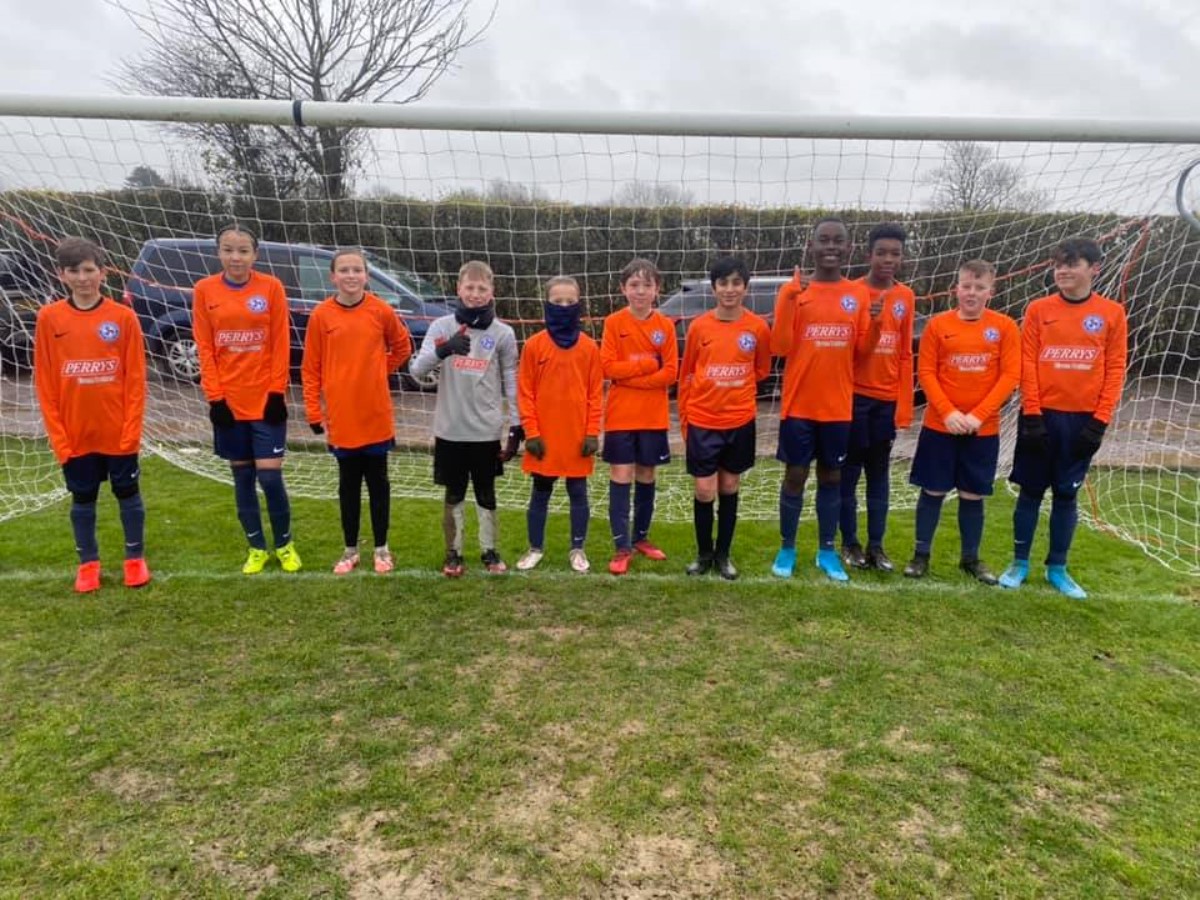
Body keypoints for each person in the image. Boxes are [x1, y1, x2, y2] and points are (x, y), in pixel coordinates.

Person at [999, 237, 1128, 599]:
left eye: (1072, 263)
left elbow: (1116, 369)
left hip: (1082, 421)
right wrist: (1033, 414)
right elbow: (1028, 363)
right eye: (1058, 264)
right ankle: (1019, 563)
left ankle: (1057, 568)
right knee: (1030, 491)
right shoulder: (1039, 309)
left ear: (1094, 269)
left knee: (1066, 495)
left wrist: (1099, 421)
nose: (1063, 270)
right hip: (1040, 417)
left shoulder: (1112, 314)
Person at [34, 237, 150, 592]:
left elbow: (135, 381)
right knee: (83, 499)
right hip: (75, 435)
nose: (83, 278)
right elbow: (46, 383)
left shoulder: (123, 317)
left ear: (102, 272)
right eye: (74, 271)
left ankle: (135, 560)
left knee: (128, 493)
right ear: (61, 275)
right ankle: (88, 565)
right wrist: (59, 438)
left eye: (89, 270)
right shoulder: (49, 318)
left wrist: (131, 432)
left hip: (117, 433)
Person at [770, 217, 878, 582]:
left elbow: (862, 352)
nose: (830, 247)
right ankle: (787, 547)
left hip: (838, 406)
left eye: (838, 241)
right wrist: (787, 298)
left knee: (832, 476)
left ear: (848, 249)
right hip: (799, 405)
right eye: (823, 241)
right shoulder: (795, 291)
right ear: (811, 247)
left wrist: (876, 325)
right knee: (796, 475)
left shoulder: (858, 294)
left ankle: (827, 551)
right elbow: (780, 347)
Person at [903, 259, 1020, 583]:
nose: (971, 293)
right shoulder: (939, 326)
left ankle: (971, 559)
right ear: (957, 288)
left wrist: (977, 416)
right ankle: (920, 555)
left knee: (972, 494)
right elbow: (926, 372)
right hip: (940, 427)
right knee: (933, 489)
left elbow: (1010, 375)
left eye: (979, 287)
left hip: (983, 430)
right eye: (966, 286)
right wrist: (949, 413)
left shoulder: (1005, 327)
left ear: (990, 292)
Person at [194, 223, 301, 574]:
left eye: (242, 250)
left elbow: (279, 343)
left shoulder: (271, 287)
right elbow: (205, 348)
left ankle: (284, 545)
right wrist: (216, 399)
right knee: (242, 478)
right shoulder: (204, 290)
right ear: (218, 252)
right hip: (229, 403)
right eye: (228, 249)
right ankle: (256, 548)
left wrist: (275, 392)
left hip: (265, 401)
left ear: (255, 254)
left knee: (269, 478)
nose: (235, 257)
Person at [301, 249, 412, 575]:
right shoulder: (321, 315)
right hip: (341, 418)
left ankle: (382, 549)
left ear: (366, 275)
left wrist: (379, 370)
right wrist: (312, 412)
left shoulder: (381, 311)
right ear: (333, 276)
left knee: (379, 484)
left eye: (357, 270)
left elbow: (403, 347)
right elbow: (311, 368)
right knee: (347, 486)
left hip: (376, 415)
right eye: (344, 270)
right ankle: (350, 550)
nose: (351, 276)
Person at [409, 260, 520, 577]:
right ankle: (453, 553)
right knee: (454, 493)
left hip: (486, 430)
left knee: (486, 493)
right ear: (458, 289)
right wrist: (444, 351)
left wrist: (516, 425)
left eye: (481, 288)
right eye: (469, 288)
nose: (475, 294)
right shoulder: (442, 327)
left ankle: (489, 551)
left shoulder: (503, 333)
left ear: (491, 291)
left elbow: (511, 379)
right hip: (450, 429)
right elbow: (417, 370)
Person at [677, 256, 772, 580]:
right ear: (714, 287)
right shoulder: (699, 326)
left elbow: (761, 369)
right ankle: (703, 555)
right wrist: (685, 416)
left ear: (745, 287)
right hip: (704, 420)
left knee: (729, 485)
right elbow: (688, 371)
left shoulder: (758, 327)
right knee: (705, 490)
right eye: (723, 283)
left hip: (739, 420)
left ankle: (723, 556)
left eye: (736, 283)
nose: (729, 289)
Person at [839, 223, 915, 573]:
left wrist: (903, 404)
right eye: (881, 252)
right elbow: (843, 350)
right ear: (868, 254)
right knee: (848, 473)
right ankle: (850, 543)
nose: (888, 259)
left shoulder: (906, 297)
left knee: (879, 474)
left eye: (894, 254)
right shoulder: (851, 292)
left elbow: (903, 354)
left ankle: (877, 546)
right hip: (853, 398)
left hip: (885, 402)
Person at [515, 276, 603, 573]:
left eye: (569, 302)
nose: (564, 307)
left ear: (578, 305)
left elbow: (595, 394)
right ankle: (535, 548)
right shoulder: (534, 346)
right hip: (545, 438)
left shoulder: (590, 348)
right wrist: (532, 432)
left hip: (577, 437)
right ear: (546, 305)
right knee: (540, 493)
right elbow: (525, 393)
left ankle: (577, 549)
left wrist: (592, 432)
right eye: (557, 302)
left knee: (578, 493)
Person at [599, 258, 678, 575]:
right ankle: (622, 546)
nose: (640, 291)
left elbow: (671, 372)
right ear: (623, 289)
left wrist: (632, 378)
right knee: (621, 475)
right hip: (621, 416)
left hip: (653, 416)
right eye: (634, 285)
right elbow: (607, 367)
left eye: (647, 285)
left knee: (647, 475)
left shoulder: (665, 326)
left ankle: (641, 538)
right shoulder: (613, 323)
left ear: (657, 289)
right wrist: (646, 368)